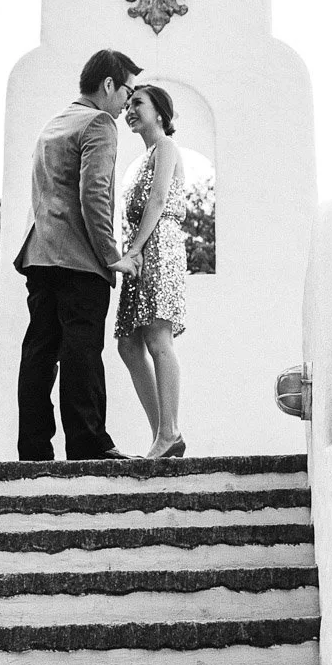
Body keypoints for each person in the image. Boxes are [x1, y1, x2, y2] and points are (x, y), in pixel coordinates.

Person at [13, 48, 142, 461]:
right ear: (109, 84)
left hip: (40, 255)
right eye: (127, 93)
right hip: (79, 261)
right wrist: (112, 256)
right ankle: (88, 444)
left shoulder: (55, 122)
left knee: (39, 352)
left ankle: (33, 450)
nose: (126, 104)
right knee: (81, 351)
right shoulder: (99, 123)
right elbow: (94, 194)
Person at [114, 84, 189, 459]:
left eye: (138, 103)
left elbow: (158, 200)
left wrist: (135, 250)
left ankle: (168, 432)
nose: (129, 109)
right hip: (140, 250)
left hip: (159, 247)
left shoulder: (166, 147)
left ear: (159, 112)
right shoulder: (138, 161)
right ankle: (165, 433)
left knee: (159, 338)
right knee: (128, 345)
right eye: (127, 104)